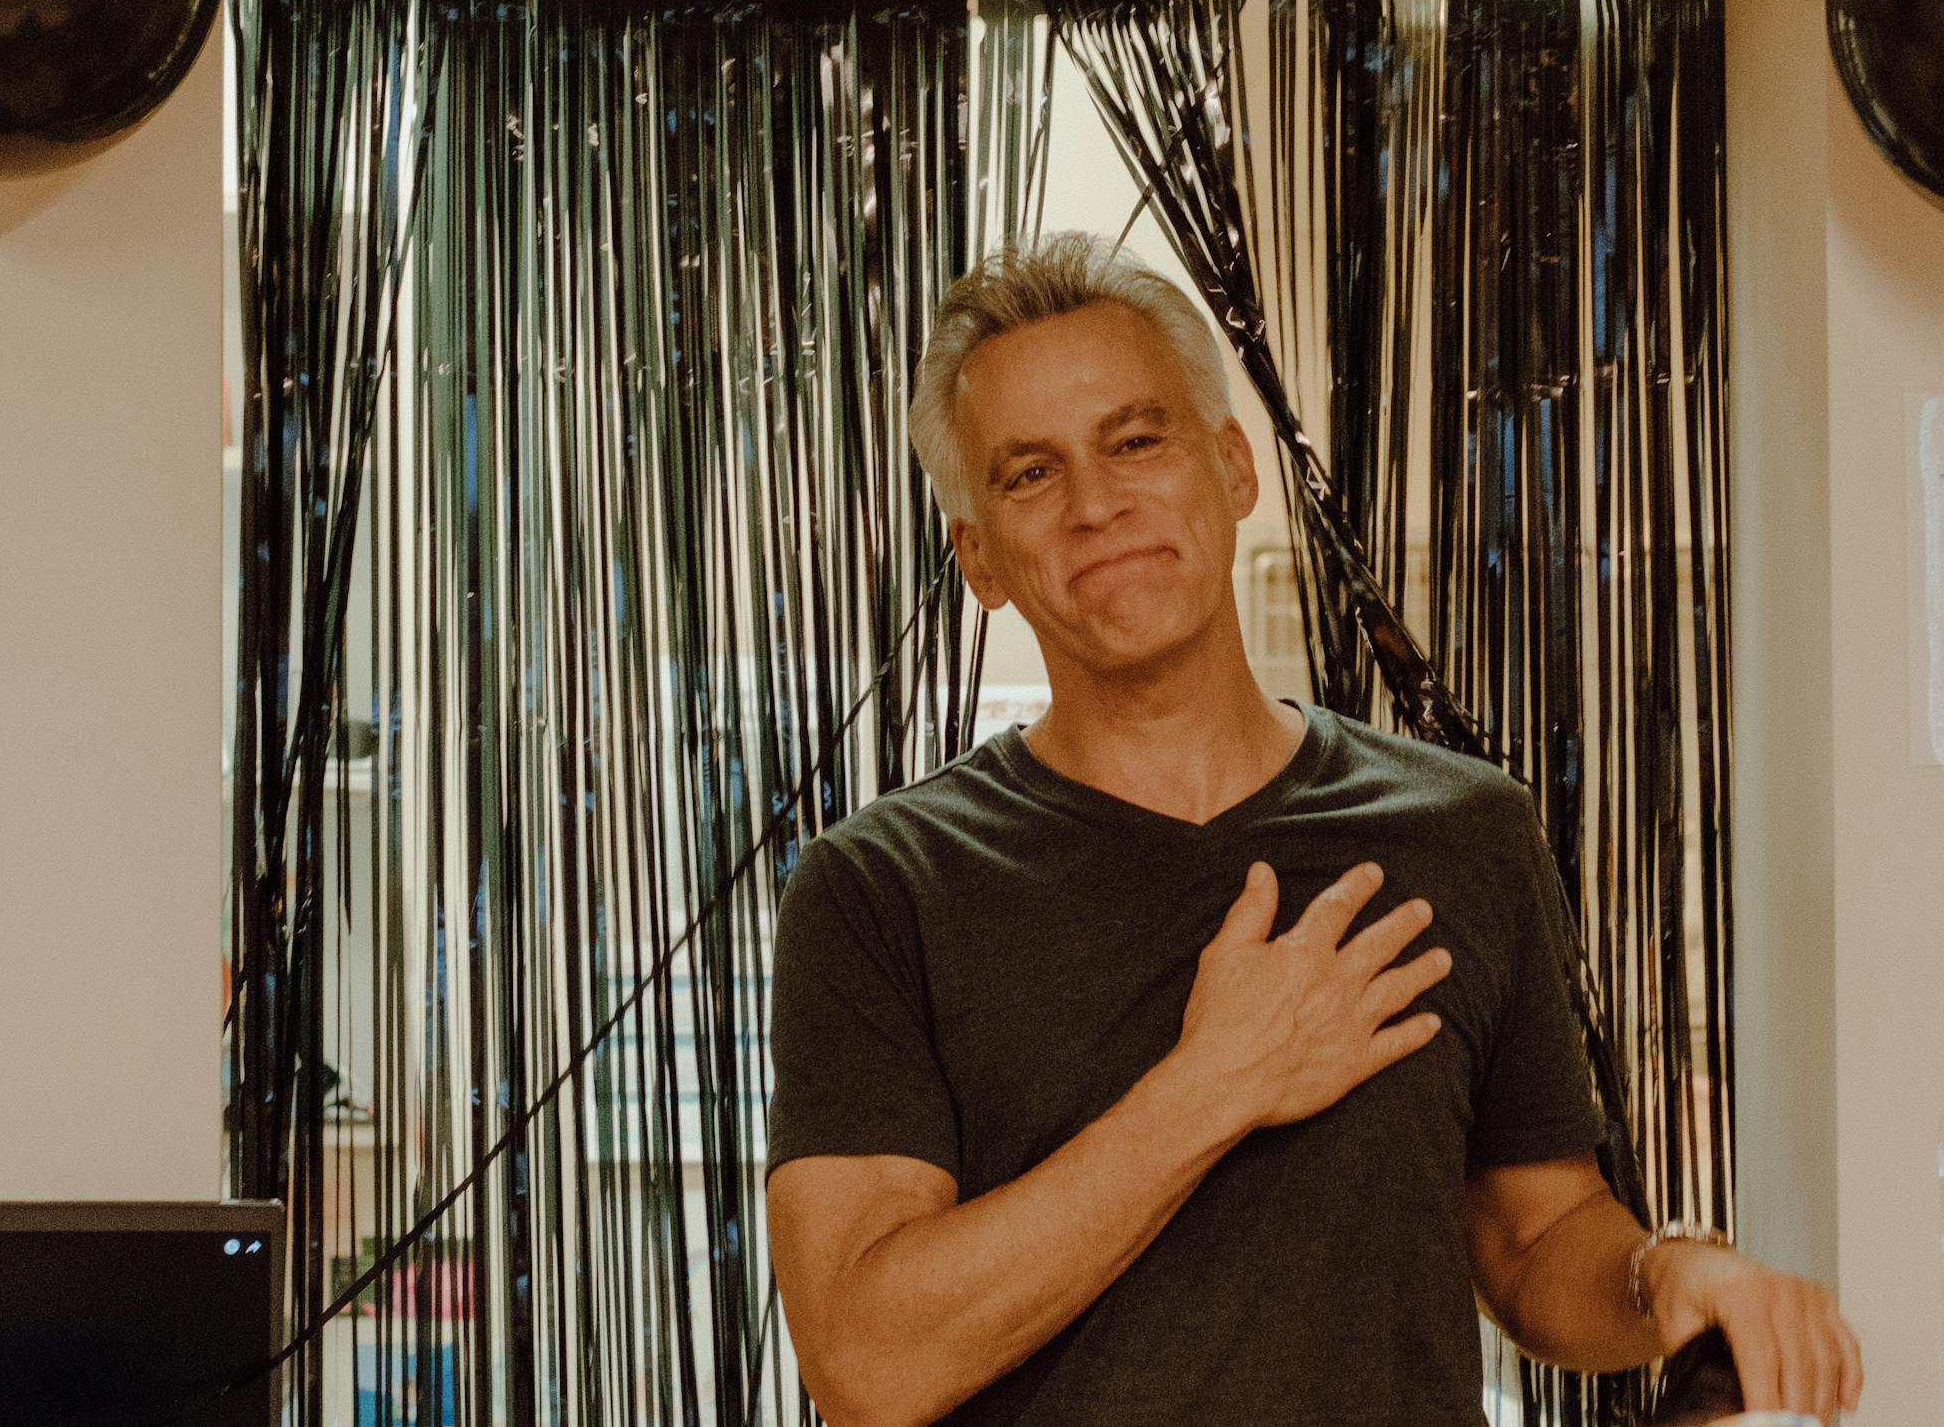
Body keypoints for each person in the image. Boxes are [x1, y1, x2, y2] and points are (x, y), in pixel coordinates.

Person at [761, 232, 1861, 1427]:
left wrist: (1664, 1274)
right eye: (1031, 472)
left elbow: (1536, 1234)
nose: (1097, 503)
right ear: (977, 557)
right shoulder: (883, 886)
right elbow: (868, 1362)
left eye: (1136, 440)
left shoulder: (1463, 830)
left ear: (1232, 466)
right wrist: (1212, 1085)